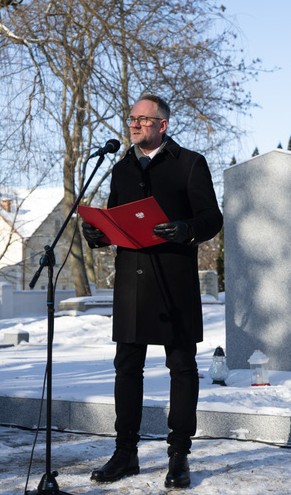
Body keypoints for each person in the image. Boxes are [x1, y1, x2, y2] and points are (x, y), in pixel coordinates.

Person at [83, 94, 223, 490]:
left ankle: (179, 454)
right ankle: (125, 452)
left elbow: (211, 217)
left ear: (163, 124)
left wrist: (187, 229)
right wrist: (97, 234)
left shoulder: (190, 163)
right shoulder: (121, 168)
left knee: (181, 366)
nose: (135, 124)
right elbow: (115, 218)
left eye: (144, 119)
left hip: (173, 280)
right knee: (126, 368)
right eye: (131, 118)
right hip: (131, 282)